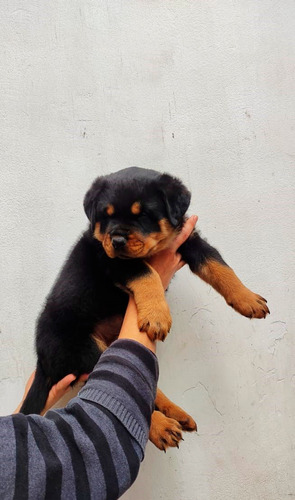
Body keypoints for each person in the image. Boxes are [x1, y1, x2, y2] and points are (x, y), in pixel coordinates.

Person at [0, 215, 198, 500]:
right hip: (71, 337)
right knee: (98, 360)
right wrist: (150, 289)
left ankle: (158, 404)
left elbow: (17, 464)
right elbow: (99, 447)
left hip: (71, 339)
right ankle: (153, 412)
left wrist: (22, 415)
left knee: (100, 359)